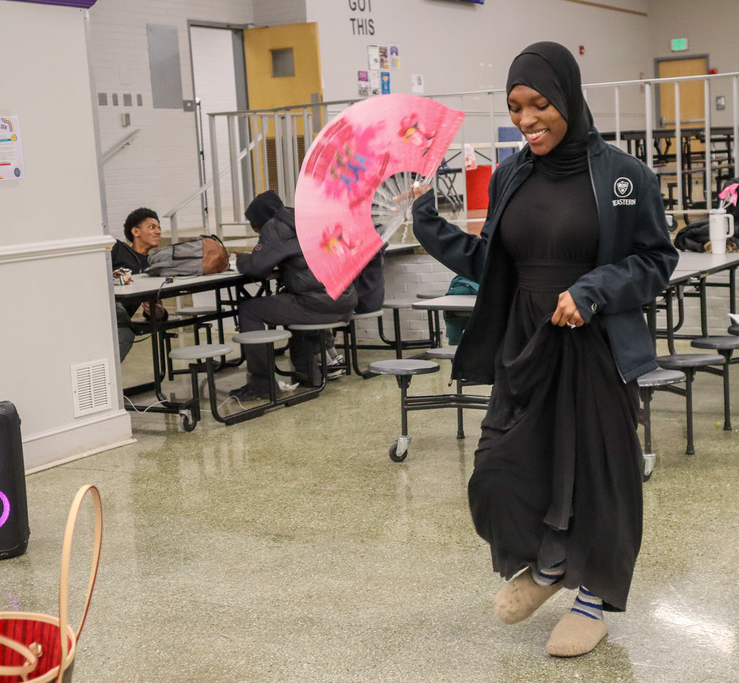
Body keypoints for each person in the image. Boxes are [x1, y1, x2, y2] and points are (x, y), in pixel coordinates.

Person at [409, 42, 678, 657]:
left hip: (594, 341)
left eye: (540, 104)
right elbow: (493, 263)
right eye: (515, 106)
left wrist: (594, 288)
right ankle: (550, 565)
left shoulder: (622, 175)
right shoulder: (510, 175)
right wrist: (429, 225)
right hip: (524, 339)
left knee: (600, 472)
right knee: (501, 470)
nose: (527, 118)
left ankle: (593, 599)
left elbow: (657, 259)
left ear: (569, 98)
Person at [232, 190, 357, 399]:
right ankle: (309, 375)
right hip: (345, 300)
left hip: (320, 305)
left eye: (255, 227)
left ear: (260, 221)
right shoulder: (301, 220)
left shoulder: (274, 227)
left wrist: (242, 259)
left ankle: (262, 384)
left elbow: (256, 267)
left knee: (249, 309)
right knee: (290, 301)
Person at [112, 207, 166, 361]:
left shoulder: (153, 267)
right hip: (104, 308)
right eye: (152, 227)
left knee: (126, 333)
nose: (158, 232)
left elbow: (157, 315)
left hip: (120, 322)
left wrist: (156, 311)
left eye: (159, 228)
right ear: (135, 232)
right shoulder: (117, 249)